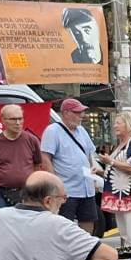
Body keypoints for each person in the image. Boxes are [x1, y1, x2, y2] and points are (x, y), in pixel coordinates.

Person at [41, 98, 99, 233]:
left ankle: (85, 249)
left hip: (86, 188)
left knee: (88, 220)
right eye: (77, 112)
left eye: (82, 112)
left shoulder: (82, 131)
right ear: (66, 113)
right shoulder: (53, 130)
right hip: (67, 189)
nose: (82, 116)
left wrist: (93, 178)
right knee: (64, 224)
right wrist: (56, 184)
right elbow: (45, 157)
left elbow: (88, 154)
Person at [97, 111, 131, 247]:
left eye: (118, 123)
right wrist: (100, 172)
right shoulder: (122, 144)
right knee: (125, 234)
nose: (115, 126)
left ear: (128, 124)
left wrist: (110, 161)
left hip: (130, 196)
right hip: (120, 197)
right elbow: (118, 172)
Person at [0, 104, 43, 211]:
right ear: (3, 120)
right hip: (1, 194)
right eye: (13, 119)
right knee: (3, 225)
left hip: (27, 194)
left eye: (20, 118)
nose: (18, 123)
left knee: (27, 225)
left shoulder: (32, 140)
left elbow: (37, 164)